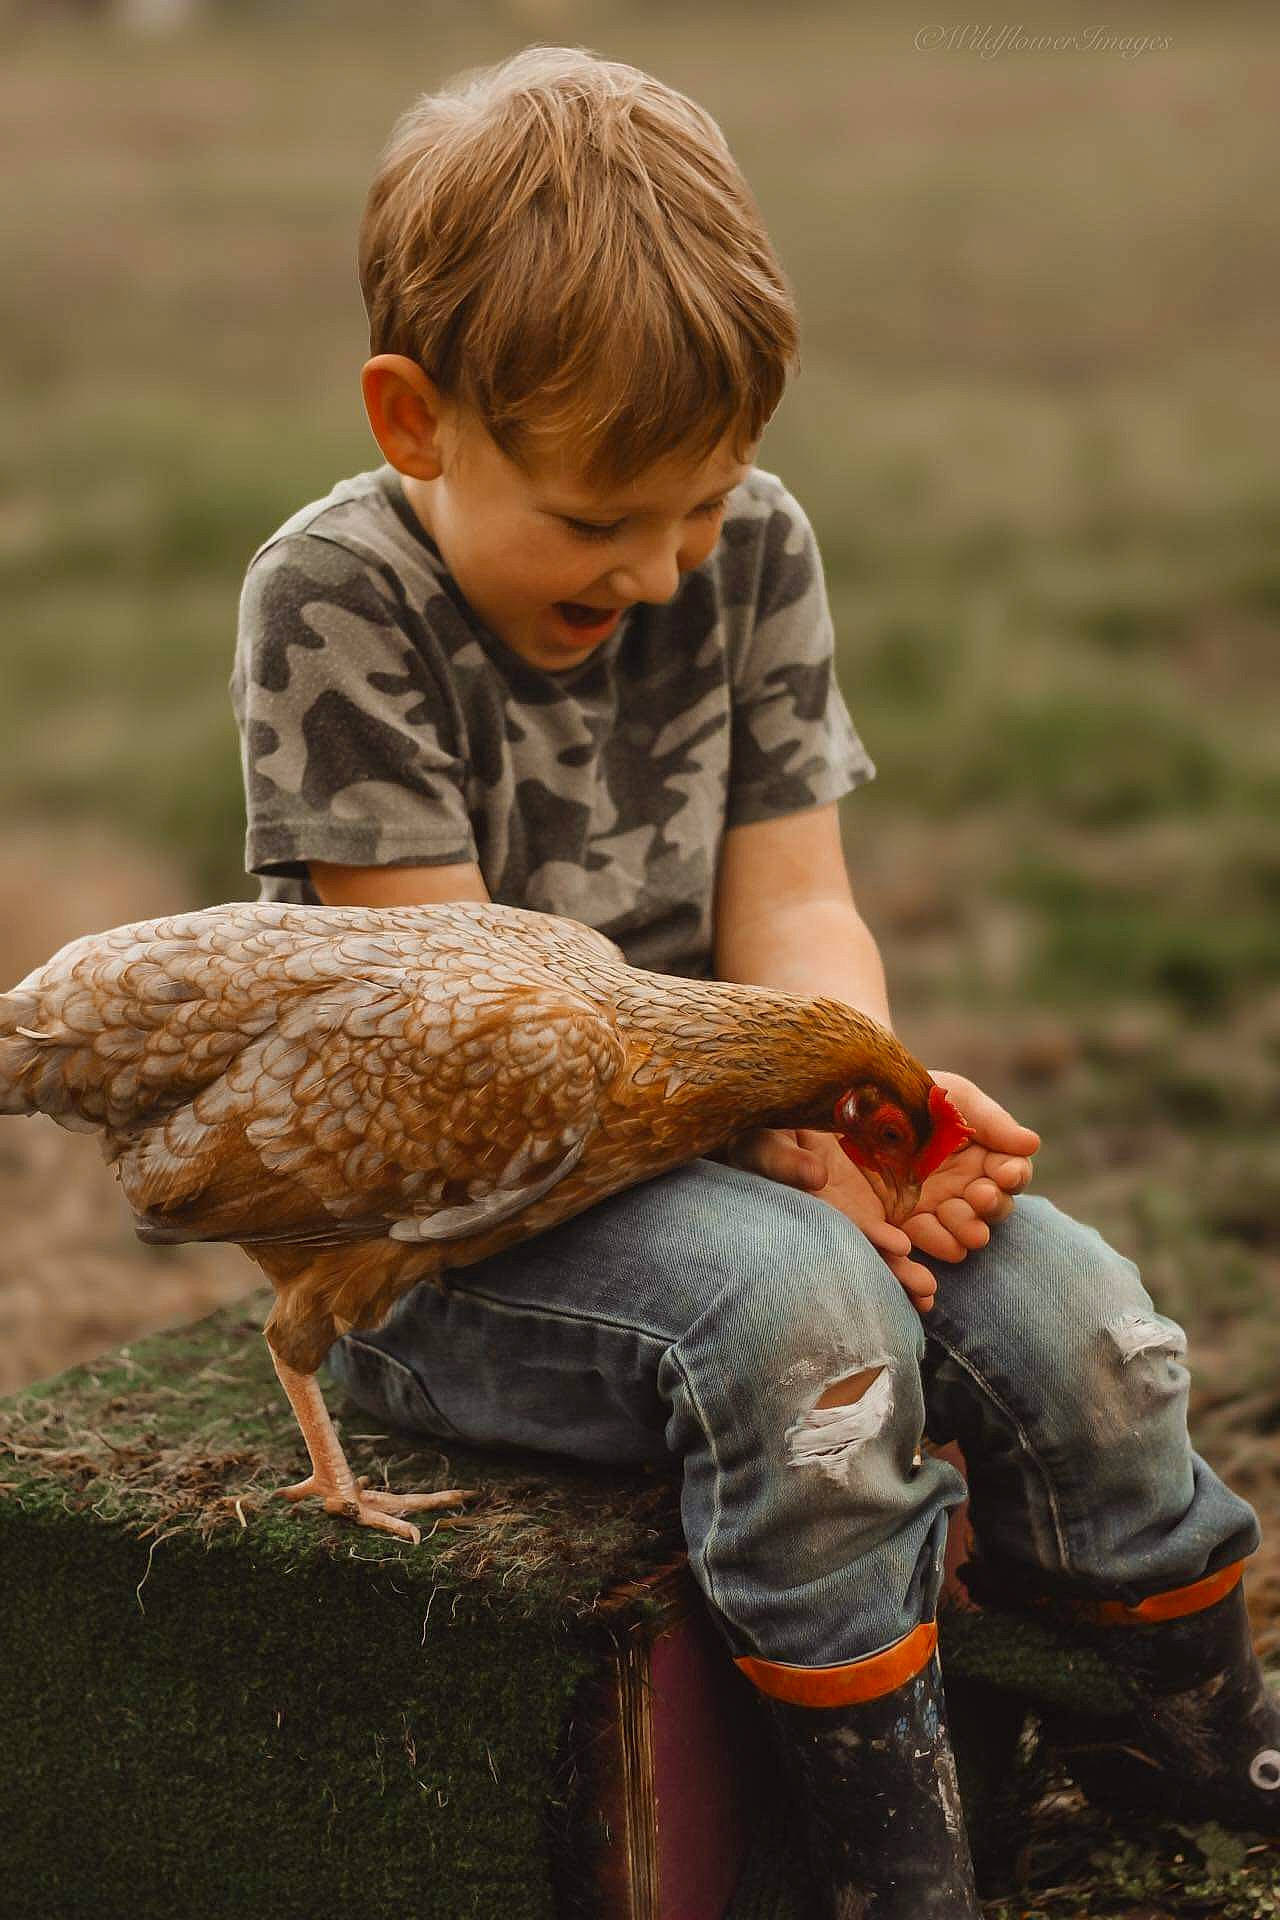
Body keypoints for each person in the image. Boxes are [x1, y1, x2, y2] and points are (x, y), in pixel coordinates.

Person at [230, 47, 1277, 1918]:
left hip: (721, 1138)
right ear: (414, 419)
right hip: (448, 1231)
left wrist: (862, 1096)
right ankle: (869, 1845)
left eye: (699, 506)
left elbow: (795, 904)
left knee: (1079, 1320)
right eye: (597, 519)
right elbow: (475, 1038)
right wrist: (771, 1141)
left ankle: (1179, 1741)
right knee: (808, 1329)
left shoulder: (755, 546)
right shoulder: (333, 604)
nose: (660, 566)